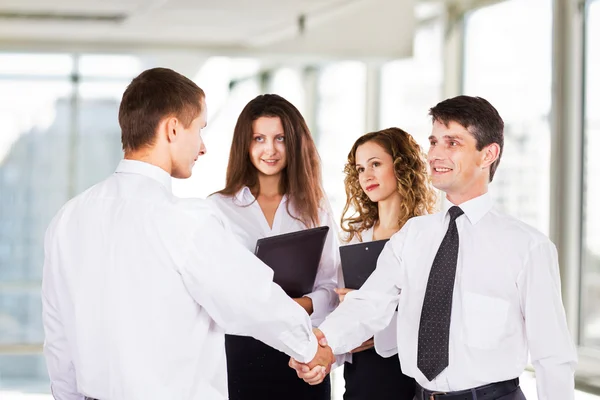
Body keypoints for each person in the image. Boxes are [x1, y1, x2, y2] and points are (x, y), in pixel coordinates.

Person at [41, 68, 334, 400]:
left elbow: (58, 338)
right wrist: (310, 349)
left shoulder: (67, 220)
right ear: (173, 128)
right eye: (200, 129)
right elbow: (251, 298)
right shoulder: (183, 219)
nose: (203, 147)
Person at [291, 95, 577, 400]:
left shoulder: (527, 247)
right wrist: (323, 341)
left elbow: (552, 356)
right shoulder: (413, 235)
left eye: (452, 143)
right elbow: (369, 304)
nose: (436, 154)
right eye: (434, 142)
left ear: (488, 154)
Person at [208, 94, 339, 400]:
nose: (270, 149)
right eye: (259, 138)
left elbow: (331, 287)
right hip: (240, 354)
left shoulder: (316, 207)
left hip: (301, 352)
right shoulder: (218, 209)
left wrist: (299, 306)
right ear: (245, 144)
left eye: (280, 138)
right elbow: (214, 292)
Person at [335, 127, 436, 400]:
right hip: (360, 372)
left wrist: (374, 326)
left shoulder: (427, 234)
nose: (366, 175)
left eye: (375, 164)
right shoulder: (354, 237)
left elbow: (433, 313)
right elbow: (339, 303)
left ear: (401, 167)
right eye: (359, 168)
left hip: (404, 371)